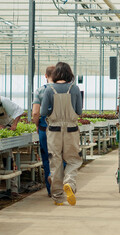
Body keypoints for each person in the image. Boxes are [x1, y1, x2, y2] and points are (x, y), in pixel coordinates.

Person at [40, 62, 83, 206]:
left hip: (54, 130)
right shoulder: (74, 89)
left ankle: (58, 197)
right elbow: (79, 111)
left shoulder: (49, 90)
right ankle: (69, 182)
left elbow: (43, 112)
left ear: (56, 74)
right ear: (69, 73)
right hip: (71, 129)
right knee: (73, 159)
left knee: (56, 161)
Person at [32, 66, 56, 197]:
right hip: (59, 127)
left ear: (45, 76)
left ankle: (50, 189)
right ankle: (59, 184)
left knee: (47, 158)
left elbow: (36, 112)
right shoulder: (64, 90)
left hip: (44, 127)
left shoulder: (40, 91)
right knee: (60, 156)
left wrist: (37, 125)